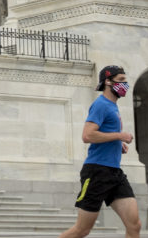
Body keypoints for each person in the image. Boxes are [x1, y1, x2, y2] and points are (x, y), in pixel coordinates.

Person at [59, 65, 141, 238]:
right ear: (108, 82)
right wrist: (119, 135)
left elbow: (103, 133)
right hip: (97, 172)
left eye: (126, 81)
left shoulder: (113, 106)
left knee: (134, 225)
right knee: (82, 230)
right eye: (121, 81)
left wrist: (117, 143)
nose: (125, 85)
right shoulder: (101, 105)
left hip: (114, 173)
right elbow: (87, 135)